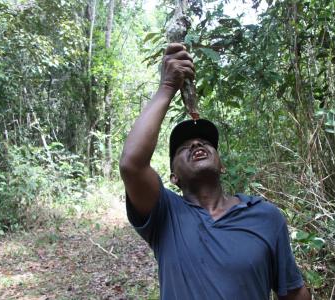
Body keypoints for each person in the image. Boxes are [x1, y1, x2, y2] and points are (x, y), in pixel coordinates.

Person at [119, 43, 311, 300]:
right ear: (174, 176)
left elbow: (295, 293)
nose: (197, 144)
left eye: (205, 142)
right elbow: (132, 164)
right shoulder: (165, 215)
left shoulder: (266, 217)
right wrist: (167, 87)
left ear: (221, 165)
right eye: (183, 148)